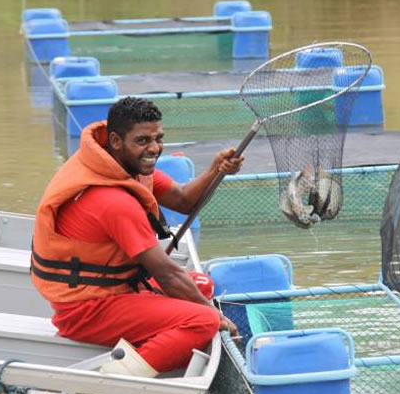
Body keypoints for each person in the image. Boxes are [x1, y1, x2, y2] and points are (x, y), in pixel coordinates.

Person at [30, 96, 243, 377]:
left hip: (115, 290)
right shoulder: (111, 199)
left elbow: (183, 200)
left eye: (158, 138)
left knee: (200, 285)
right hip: (87, 310)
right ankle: (118, 376)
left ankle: (150, 347)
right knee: (203, 320)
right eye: (143, 141)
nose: (154, 148)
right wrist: (218, 318)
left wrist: (217, 169)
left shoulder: (119, 165)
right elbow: (167, 274)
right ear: (116, 141)